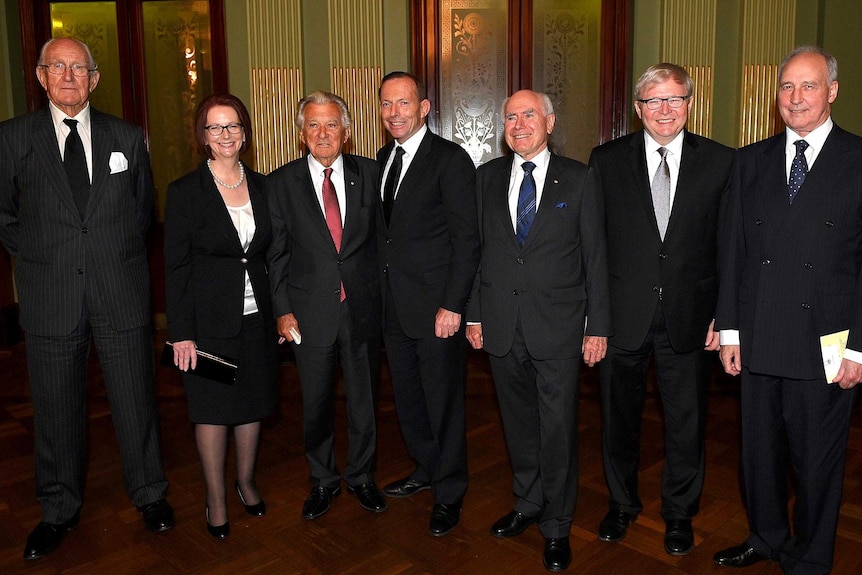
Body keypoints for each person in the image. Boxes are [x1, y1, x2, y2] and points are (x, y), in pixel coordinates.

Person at [0, 38, 174, 561]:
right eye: (59, 66)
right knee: (55, 408)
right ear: (40, 76)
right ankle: (57, 508)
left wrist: (108, 254)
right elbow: (4, 216)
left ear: (94, 80)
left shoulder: (125, 136)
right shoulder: (11, 139)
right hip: (49, 294)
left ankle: (149, 494)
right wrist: (44, 258)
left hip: (118, 291)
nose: (69, 75)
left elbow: (143, 213)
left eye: (80, 68)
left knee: (136, 398)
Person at [714, 45, 862, 574]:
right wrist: (729, 329)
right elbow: (732, 251)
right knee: (759, 453)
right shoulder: (749, 160)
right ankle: (767, 536)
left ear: (833, 91)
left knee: (817, 462)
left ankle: (811, 557)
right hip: (757, 333)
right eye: (787, 87)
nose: (796, 98)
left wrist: (860, 348)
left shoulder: (858, 159)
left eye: (810, 86)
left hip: (829, 340)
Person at [588, 63, 734, 556]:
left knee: (686, 423)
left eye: (674, 99)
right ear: (638, 109)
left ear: (690, 104)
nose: (665, 110)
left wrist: (725, 315)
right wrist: (596, 318)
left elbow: (728, 248)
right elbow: (595, 248)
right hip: (622, 318)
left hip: (691, 318)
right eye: (654, 101)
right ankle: (622, 504)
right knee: (618, 420)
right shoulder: (605, 161)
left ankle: (679, 513)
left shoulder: (720, 161)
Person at [465, 89, 611, 572]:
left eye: (529, 114)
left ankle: (558, 524)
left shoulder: (580, 178)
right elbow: (477, 253)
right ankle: (527, 503)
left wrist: (598, 327)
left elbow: (595, 259)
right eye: (510, 116)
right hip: (503, 327)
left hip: (561, 329)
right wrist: (475, 314)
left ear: (549, 121)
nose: (519, 123)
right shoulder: (485, 179)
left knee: (557, 429)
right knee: (518, 424)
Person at [164, 93, 278, 539]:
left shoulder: (265, 186)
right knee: (212, 412)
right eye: (215, 127)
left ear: (244, 132)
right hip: (207, 326)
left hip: (257, 320)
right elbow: (175, 269)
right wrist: (181, 334)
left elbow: (275, 254)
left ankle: (246, 482)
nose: (225, 134)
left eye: (232, 126)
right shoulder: (184, 192)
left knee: (252, 405)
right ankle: (215, 498)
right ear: (203, 136)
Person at [267, 91, 385, 520]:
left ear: (347, 132)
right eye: (313, 125)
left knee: (364, 400)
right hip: (308, 314)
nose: (322, 133)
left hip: (362, 309)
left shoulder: (371, 174)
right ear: (301, 134)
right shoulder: (280, 183)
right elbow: (275, 254)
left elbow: (383, 246)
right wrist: (282, 310)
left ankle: (361, 476)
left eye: (331, 124)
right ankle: (322, 479)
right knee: (315, 402)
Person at [376, 71, 480, 536]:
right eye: (386, 104)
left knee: (443, 402)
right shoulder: (381, 159)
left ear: (424, 108)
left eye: (404, 103)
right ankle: (426, 469)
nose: (394, 112)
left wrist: (454, 305)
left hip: (438, 309)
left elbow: (467, 240)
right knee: (409, 400)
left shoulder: (451, 160)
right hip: (393, 309)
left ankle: (450, 490)